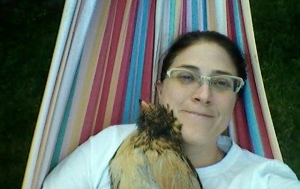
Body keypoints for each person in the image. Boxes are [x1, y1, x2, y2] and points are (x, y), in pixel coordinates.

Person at [42, 31, 300, 189]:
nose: (203, 95)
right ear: (160, 89)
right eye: (186, 77)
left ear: (235, 100)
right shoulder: (107, 147)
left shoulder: (262, 180)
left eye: (221, 82)